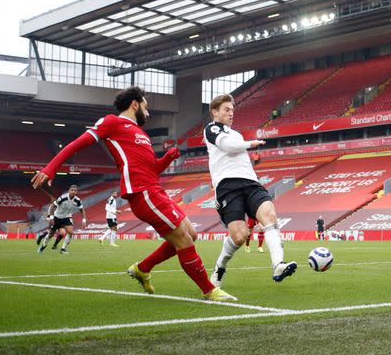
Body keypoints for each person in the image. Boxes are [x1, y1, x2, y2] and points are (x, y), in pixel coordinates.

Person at [31, 86, 234, 301]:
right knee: (184, 239)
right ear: (135, 104)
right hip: (142, 193)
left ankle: (142, 268)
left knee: (191, 235)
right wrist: (50, 168)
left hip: (155, 190)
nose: (148, 113)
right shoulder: (112, 122)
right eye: (146, 107)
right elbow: (76, 144)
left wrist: (168, 158)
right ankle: (209, 290)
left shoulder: (141, 134)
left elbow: (152, 169)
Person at [204, 94, 297, 288]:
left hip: (250, 182)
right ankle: (219, 268)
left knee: (269, 215)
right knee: (240, 235)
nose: (231, 113)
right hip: (228, 186)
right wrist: (250, 144)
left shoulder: (236, 134)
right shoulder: (212, 129)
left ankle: (278, 264)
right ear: (215, 112)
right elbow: (227, 147)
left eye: (232, 110)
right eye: (226, 110)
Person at [36, 185, 86, 254]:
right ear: (69, 191)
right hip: (57, 217)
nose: (73, 192)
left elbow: (82, 210)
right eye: (72, 190)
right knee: (50, 235)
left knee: (70, 233)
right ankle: (43, 247)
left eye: (75, 190)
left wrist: (84, 220)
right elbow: (53, 206)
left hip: (66, 217)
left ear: (77, 191)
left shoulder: (77, 200)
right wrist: (51, 218)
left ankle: (63, 249)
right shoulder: (63, 197)